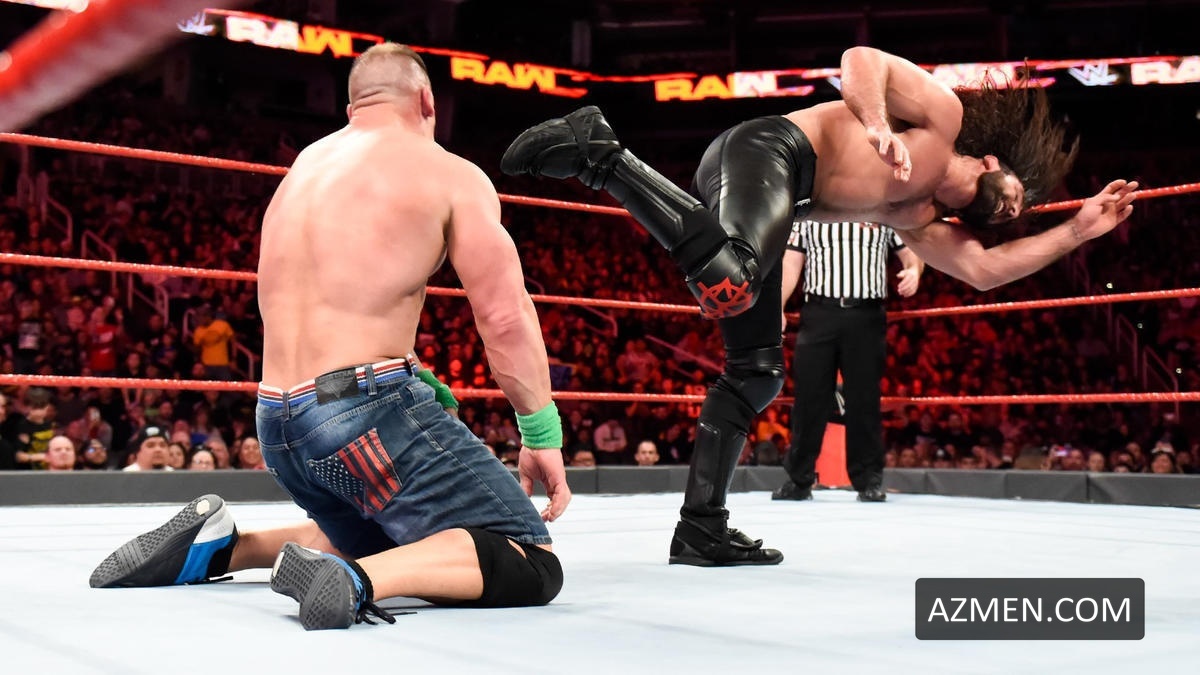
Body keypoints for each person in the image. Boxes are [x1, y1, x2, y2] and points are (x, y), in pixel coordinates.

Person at [501, 46, 1137, 566]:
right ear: (994, 161)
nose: (1016, 208)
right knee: (736, 281)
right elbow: (862, 59)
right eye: (1020, 192)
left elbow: (986, 270)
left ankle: (701, 528)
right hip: (769, 151)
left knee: (757, 372)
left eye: (1020, 213)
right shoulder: (941, 120)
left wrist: (1077, 231)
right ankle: (602, 156)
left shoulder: (920, 219)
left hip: (775, 199)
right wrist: (877, 124)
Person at [90, 43, 570, 630]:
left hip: (278, 424)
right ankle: (352, 579)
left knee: (401, 535)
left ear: (353, 108)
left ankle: (225, 547)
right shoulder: (448, 171)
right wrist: (540, 433)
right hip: (360, 416)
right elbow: (504, 316)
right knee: (528, 558)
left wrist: (411, 373)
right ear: (427, 101)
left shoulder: (306, 167)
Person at [773, 220, 923, 503]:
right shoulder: (811, 213)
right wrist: (778, 305)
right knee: (809, 398)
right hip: (819, 313)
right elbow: (791, 262)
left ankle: (868, 481)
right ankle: (799, 480)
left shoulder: (883, 210)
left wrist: (914, 270)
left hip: (866, 315)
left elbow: (910, 249)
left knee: (864, 399)